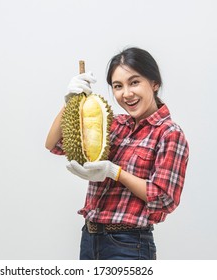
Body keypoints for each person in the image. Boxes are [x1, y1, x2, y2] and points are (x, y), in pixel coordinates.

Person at [45, 47, 189, 260]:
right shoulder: (114, 124)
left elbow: (164, 198)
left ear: (154, 83)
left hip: (129, 244)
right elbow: (54, 144)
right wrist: (69, 103)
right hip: (89, 238)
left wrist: (114, 172)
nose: (127, 94)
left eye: (134, 82)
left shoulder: (169, 133)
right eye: (118, 86)